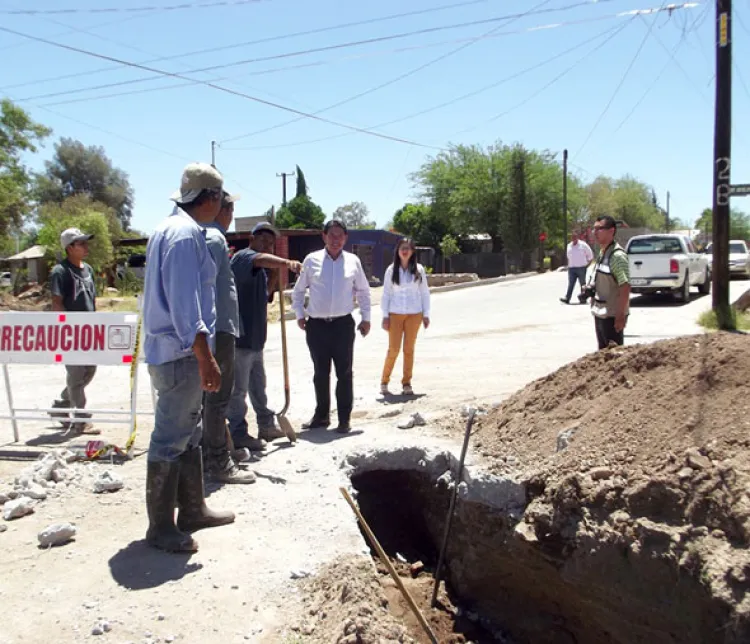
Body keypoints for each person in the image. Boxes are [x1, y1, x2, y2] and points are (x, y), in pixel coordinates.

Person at [142, 162, 234, 553]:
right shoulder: (183, 236)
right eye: (221, 197)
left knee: (188, 432)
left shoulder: (173, 229)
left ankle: (193, 509)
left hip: (177, 353)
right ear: (210, 198)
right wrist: (204, 356)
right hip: (180, 355)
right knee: (170, 437)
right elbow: (185, 304)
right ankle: (161, 528)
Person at [227, 222, 302, 450]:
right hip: (240, 339)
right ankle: (237, 432)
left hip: (256, 340)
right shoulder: (242, 258)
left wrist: (275, 276)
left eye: (271, 243)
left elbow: (266, 295)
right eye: (264, 240)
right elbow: (258, 258)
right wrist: (286, 263)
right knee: (238, 391)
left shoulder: (259, 271)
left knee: (259, 386)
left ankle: (266, 426)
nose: (267, 245)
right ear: (253, 238)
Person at [292, 219, 371, 433]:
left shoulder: (353, 261)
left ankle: (344, 419)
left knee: (344, 373)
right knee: (320, 373)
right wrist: (299, 314)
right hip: (316, 326)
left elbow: (363, 291)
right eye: (332, 235)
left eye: (340, 236)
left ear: (346, 238)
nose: (336, 240)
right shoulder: (311, 260)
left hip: (343, 325)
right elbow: (298, 291)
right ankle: (321, 416)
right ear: (324, 236)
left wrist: (366, 317)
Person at [202, 192, 255, 484]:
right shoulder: (213, 239)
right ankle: (217, 461)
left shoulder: (211, 236)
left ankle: (216, 453)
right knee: (217, 397)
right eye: (230, 208)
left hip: (219, 326)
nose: (232, 213)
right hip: (217, 327)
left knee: (213, 398)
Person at [48, 228, 99, 435]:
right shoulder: (60, 271)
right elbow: (57, 302)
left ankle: (62, 404)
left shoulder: (88, 269)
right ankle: (80, 420)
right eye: (81, 244)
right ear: (70, 248)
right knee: (76, 374)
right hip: (71, 331)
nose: (86, 247)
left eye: (86, 243)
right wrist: (64, 329)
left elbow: (92, 300)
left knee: (89, 370)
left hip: (90, 331)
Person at [380, 238, 431, 396]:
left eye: (408, 248)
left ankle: (406, 382)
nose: (405, 251)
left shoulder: (419, 270)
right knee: (393, 349)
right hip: (395, 314)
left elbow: (424, 292)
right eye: (402, 248)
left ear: (413, 251)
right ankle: (384, 381)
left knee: (409, 349)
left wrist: (426, 314)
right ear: (397, 250)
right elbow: (386, 293)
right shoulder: (391, 270)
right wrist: (385, 315)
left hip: (414, 314)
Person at [587, 215, 631, 349]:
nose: (595, 232)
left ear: (611, 231)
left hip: (612, 315)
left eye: (599, 229)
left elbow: (625, 286)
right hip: (600, 312)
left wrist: (620, 315)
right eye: (594, 229)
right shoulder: (603, 252)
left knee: (614, 355)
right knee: (603, 354)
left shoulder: (617, 256)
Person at [560, 231, 593, 304]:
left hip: (581, 268)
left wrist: (586, 266)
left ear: (577, 237)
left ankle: (583, 298)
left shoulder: (583, 245)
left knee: (582, 284)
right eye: (572, 237)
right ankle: (567, 298)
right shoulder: (569, 245)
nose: (573, 238)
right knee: (571, 284)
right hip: (571, 268)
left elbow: (590, 256)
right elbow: (568, 256)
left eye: (575, 236)